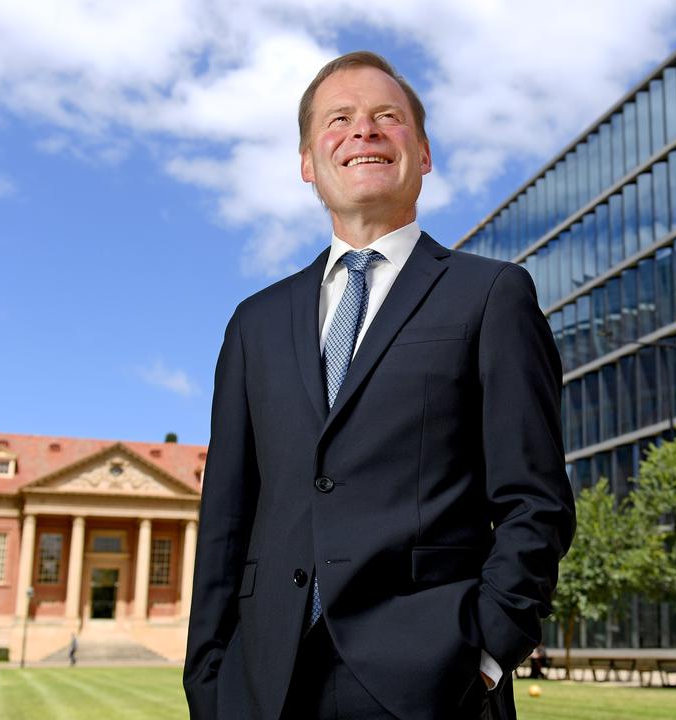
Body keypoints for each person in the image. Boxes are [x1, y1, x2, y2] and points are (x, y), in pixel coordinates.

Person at [183, 50, 575, 720]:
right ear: (309, 162)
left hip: (431, 685)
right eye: (338, 119)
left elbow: (534, 502)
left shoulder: (490, 296)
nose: (363, 131)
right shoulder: (255, 323)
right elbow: (226, 518)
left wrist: (484, 656)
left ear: (422, 154)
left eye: (386, 118)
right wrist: (211, 681)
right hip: (262, 686)